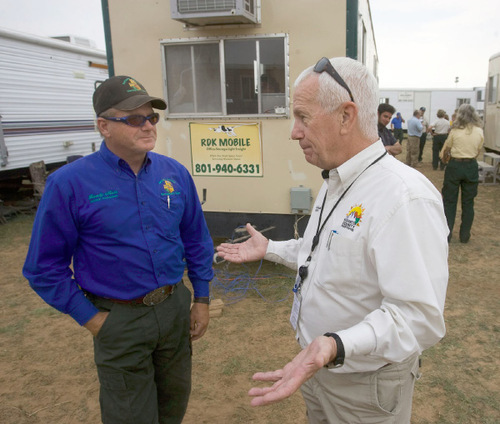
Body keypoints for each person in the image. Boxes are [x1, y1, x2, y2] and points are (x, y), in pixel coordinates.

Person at [217, 57, 449, 423]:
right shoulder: (336, 181)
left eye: (302, 117)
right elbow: (323, 253)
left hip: (364, 388)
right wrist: (271, 249)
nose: (294, 132)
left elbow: (419, 317)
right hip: (317, 368)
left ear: (346, 116)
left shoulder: (404, 197)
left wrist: (336, 345)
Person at [23, 75, 214, 424]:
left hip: (174, 311)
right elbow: (43, 267)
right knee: (130, 415)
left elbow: (197, 240)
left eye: (151, 117)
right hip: (119, 318)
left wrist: (200, 298)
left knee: (173, 404)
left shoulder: (175, 174)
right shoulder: (69, 184)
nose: (147, 126)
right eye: (134, 119)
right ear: (104, 126)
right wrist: (93, 320)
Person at [440, 104, 484, 243]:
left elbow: (446, 149)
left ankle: (447, 234)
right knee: (468, 202)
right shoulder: (479, 131)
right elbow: (478, 150)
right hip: (471, 165)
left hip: (455, 166)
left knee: (450, 201)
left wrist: (444, 158)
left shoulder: (455, 131)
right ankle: (465, 236)